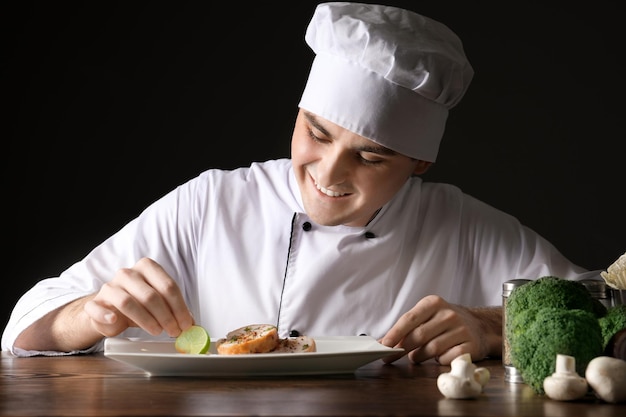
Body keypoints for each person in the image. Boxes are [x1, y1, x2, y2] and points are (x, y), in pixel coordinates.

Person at [1, 2, 600, 364]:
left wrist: (495, 326)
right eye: (315, 133)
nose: (329, 173)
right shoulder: (212, 203)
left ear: (420, 163)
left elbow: (607, 308)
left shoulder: (464, 225)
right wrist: (92, 315)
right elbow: (25, 324)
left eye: (371, 157)